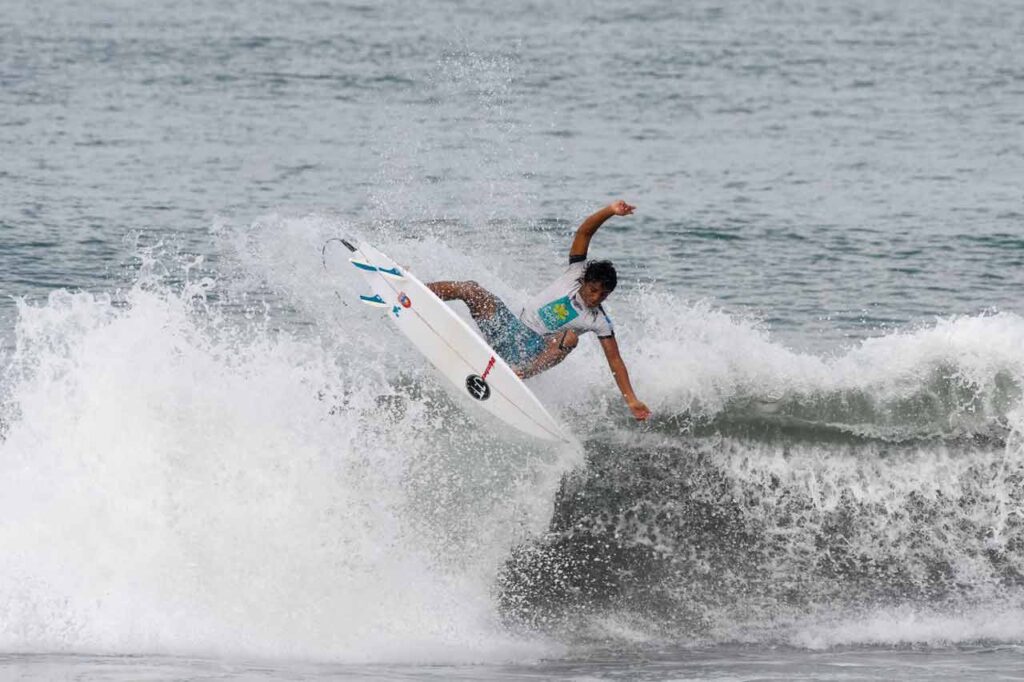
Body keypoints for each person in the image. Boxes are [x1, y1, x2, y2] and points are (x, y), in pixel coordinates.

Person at [427, 200, 651, 421]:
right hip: (509, 329)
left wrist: (631, 399)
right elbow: (584, 233)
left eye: (603, 295)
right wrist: (610, 211)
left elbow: (615, 360)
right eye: (593, 290)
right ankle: (413, 290)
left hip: (530, 353)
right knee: (471, 289)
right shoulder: (576, 271)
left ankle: (518, 376)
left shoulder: (599, 321)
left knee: (571, 337)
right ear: (584, 280)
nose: (596, 298)